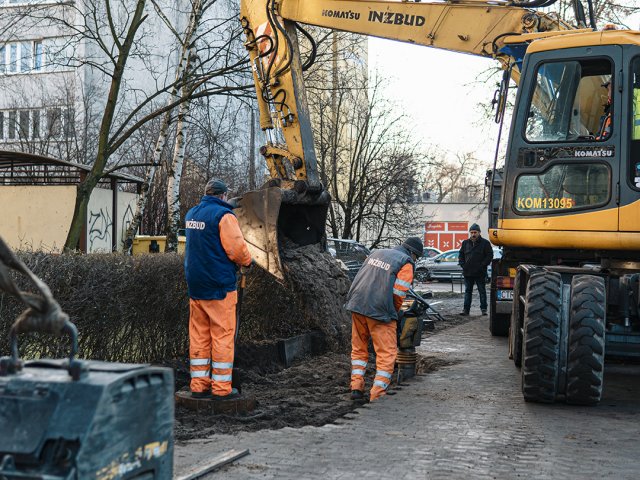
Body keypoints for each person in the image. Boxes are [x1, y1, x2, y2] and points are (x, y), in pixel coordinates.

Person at [184, 178, 252, 400]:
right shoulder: (224, 216)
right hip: (219, 286)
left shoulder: (192, 214)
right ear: (223, 196)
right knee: (222, 335)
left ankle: (198, 386)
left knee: (199, 335)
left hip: (196, 285)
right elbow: (237, 250)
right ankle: (221, 388)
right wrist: (247, 262)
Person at [345, 236, 423, 402]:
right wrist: (394, 312)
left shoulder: (376, 253)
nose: (415, 259)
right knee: (386, 354)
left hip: (357, 303)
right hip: (380, 310)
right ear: (412, 253)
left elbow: (361, 277)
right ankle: (377, 395)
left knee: (359, 348)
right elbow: (399, 293)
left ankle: (356, 388)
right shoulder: (406, 262)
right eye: (417, 256)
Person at [458, 223, 493, 316]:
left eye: (475, 232)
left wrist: (482, 265)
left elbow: (489, 256)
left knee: (482, 291)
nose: (473, 234)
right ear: (470, 233)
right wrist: (463, 265)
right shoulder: (465, 243)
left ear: (479, 232)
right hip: (468, 272)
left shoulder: (485, 243)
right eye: (472, 232)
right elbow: (461, 255)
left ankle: (484, 309)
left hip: (480, 272)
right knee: (467, 291)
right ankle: (466, 310)